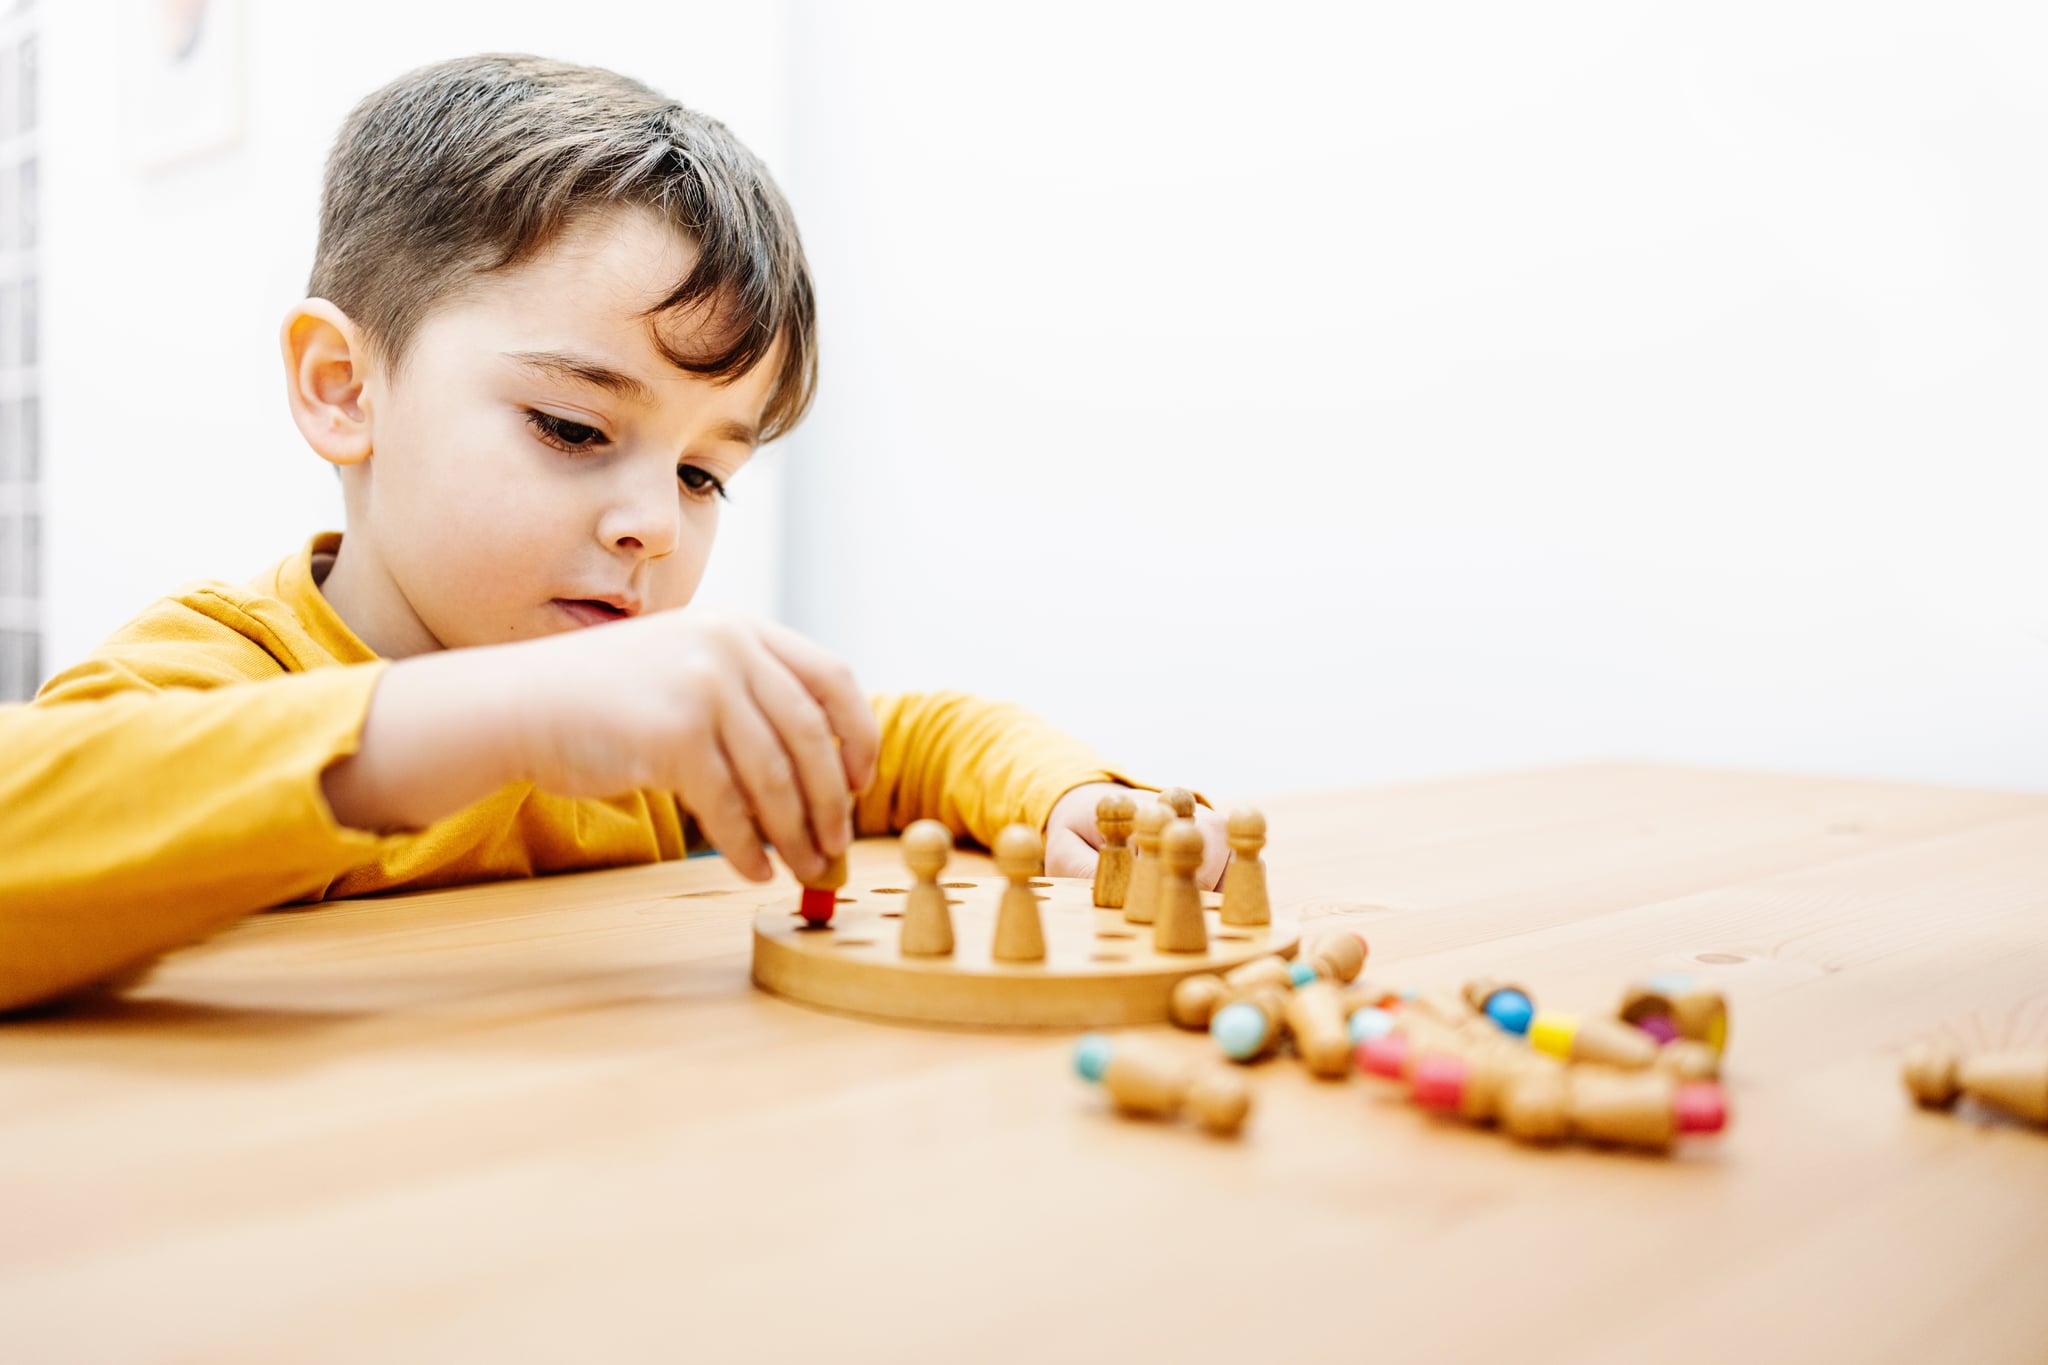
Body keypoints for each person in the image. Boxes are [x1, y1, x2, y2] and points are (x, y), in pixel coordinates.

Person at [0, 54, 1228, 1014]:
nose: (652, 527)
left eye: (704, 475)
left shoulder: (635, 713)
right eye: (572, 428)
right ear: (342, 386)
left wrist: (1068, 793)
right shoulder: (221, 672)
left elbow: (901, 743)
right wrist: (516, 713)